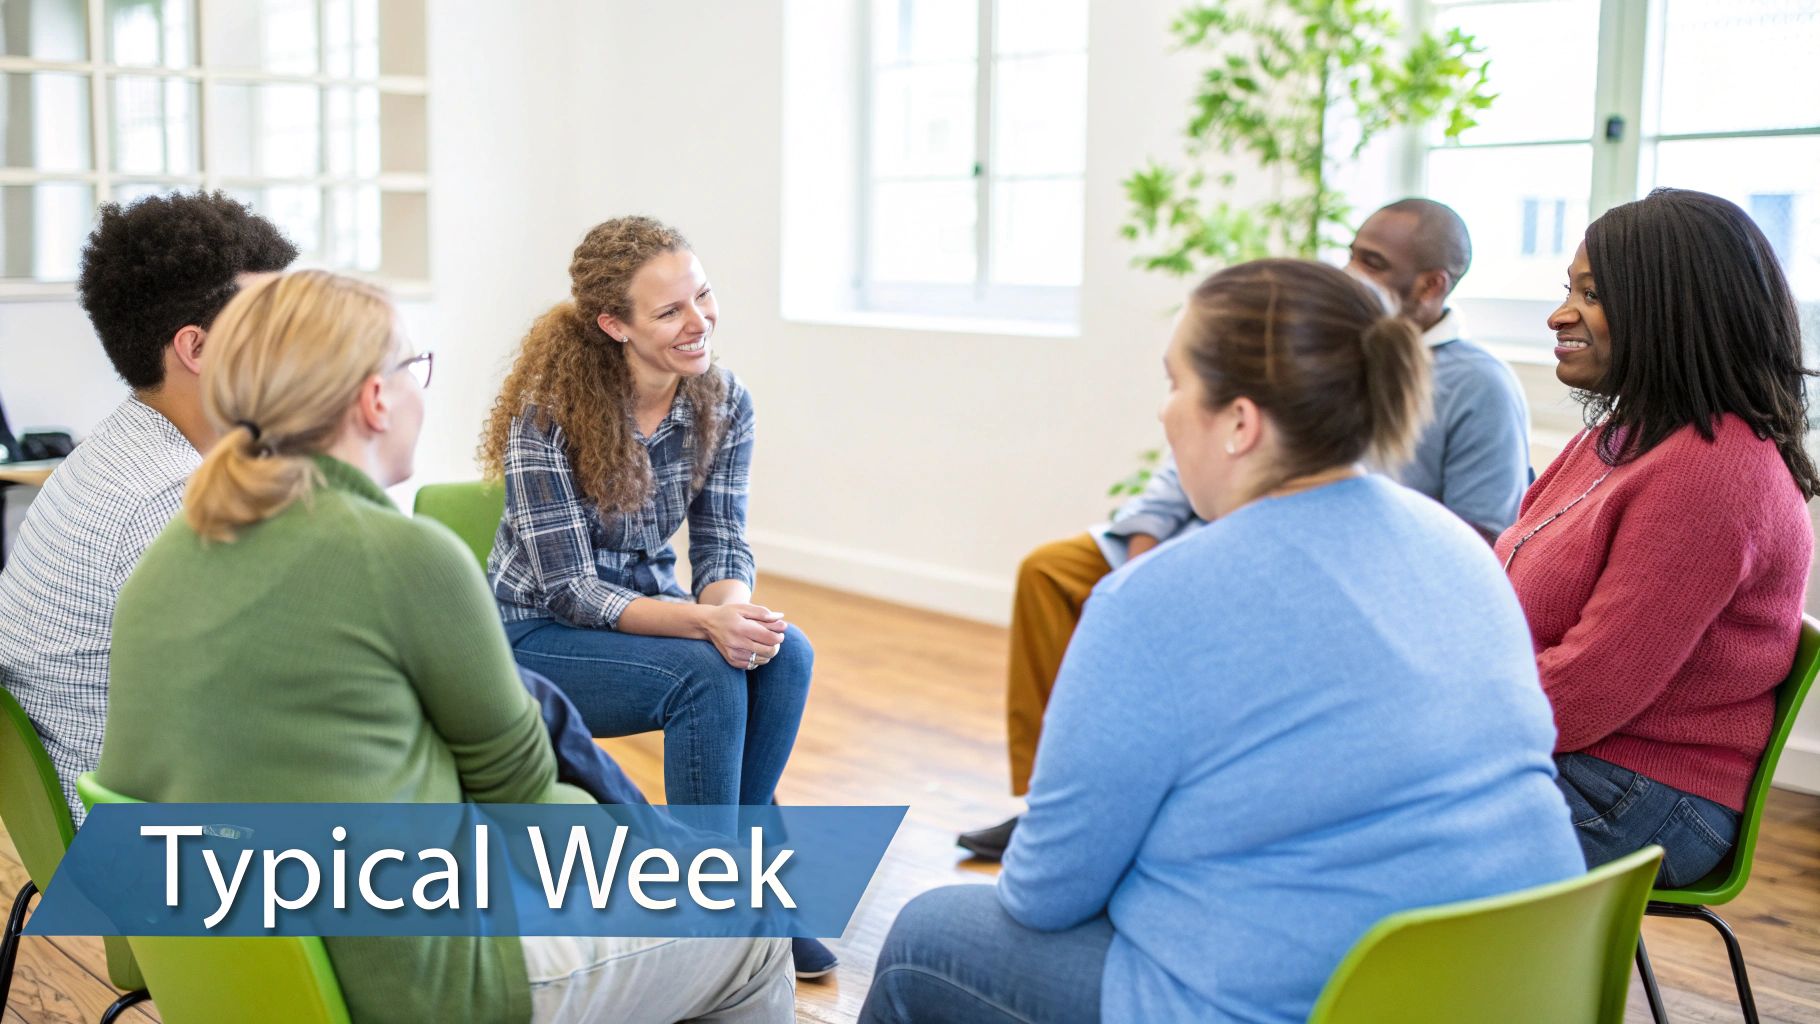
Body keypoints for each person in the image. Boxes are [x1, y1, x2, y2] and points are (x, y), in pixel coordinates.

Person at [864, 259, 1583, 1024]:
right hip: (1530, 983)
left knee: (927, 934)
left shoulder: (1151, 602)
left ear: (1240, 422)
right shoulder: (1462, 547)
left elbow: (1044, 893)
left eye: (1175, 383)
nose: (1164, 412)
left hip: (1323, 1004)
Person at [97, 270, 793, 1024]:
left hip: (242, 979)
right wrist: (665, 865)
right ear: (375, 399)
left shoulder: (166, 561)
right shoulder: (402, 556)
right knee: (753, 926)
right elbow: (529, 803)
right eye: (415, 367)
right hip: (418, 986)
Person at [0, 192, 639, 826]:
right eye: (266, 326)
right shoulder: (176, 502)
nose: (291, 344)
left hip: (132, 825)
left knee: (520, 700)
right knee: (525, 716)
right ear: (196, 349)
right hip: (195, 841)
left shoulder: (120, 458)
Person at [961, 197, 1531, 858]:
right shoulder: (1305, 361)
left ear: (1432, 284)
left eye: (1373, 262)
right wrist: (1146, 549)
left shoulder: (1473, 388)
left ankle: (1086, 818)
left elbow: (1481, 529)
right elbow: (1188, 463)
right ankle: (1052, 804)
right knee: (1052, 571)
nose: (1353, 271)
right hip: (1211, 537)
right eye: (1352, 253)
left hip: (1306, 560)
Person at [480, 216, 831, 976]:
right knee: (706, 674)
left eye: (702, 295)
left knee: (784, 653)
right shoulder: (548, 412)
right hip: (532, 635)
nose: (698, 321)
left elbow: (723, 541)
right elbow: (570, 589)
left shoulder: (723, 400)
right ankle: (728, 906)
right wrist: (704, 625)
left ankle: (724, 885)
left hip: (645, 608)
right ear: (616, 325)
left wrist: (730, 613)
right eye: (670, 311)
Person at [1499, 188, 1816, 887]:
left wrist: (1439, 711)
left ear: (1669, 309)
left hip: (1643, 791)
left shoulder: (1714, 468)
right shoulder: (1620, 435)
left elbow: (1588, 691)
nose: (1559, 315)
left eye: (1591, 295)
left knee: (1351, 819)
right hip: (1576, 755)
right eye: (1567, 290)